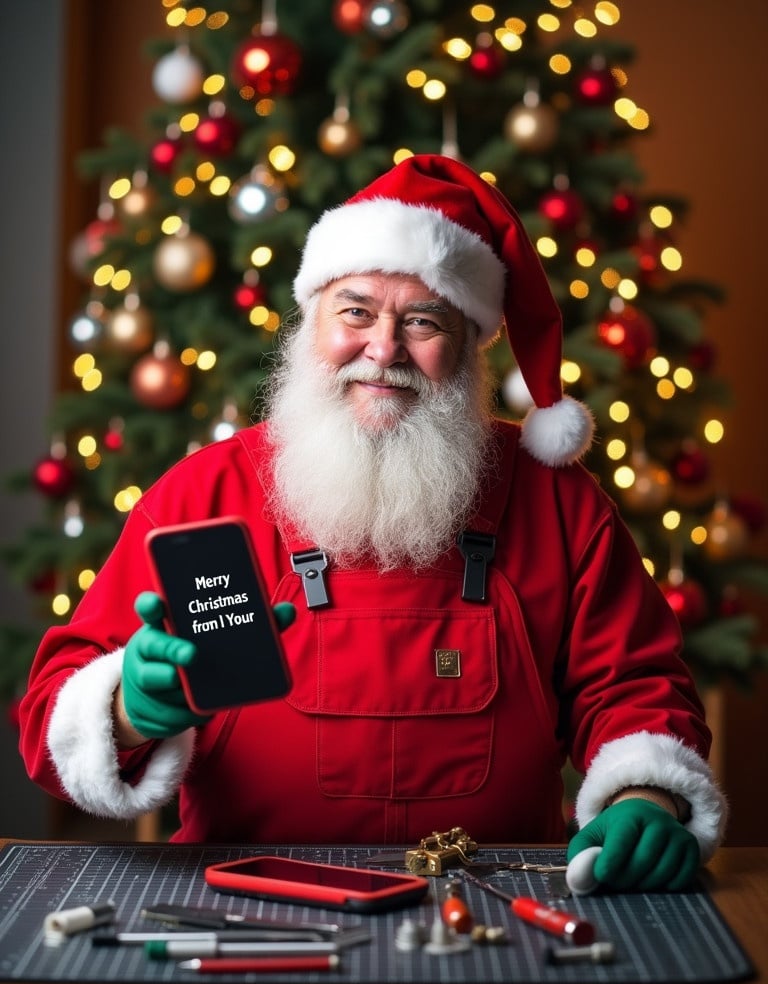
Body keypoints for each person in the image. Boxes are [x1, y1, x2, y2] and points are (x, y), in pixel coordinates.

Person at [19, 155, 726, 891]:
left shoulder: (556, 499)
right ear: (311, 319)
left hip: (502, 904)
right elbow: (48, 727)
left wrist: (645, 793)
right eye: (355, 312)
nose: (383, 351)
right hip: (242, 903)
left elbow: (634, 685)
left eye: (422, 321)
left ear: (469, 345)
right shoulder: (202, 493)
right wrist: (128, 708)